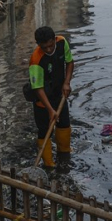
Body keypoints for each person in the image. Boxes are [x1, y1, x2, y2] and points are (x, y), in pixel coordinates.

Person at [28, 26, 74, 167]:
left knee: (64, 124)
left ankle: (64, 152)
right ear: (38, 45)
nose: (48, 49)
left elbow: (70, 62)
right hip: (43, 101)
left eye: (50, 45)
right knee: (44, 130)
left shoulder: (61, 42)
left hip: (60, 94)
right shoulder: (36, 60)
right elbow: (38, 89)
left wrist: (67, 82)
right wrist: (49, 110)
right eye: (44, 47)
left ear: (54, 40)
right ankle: (49, 163)